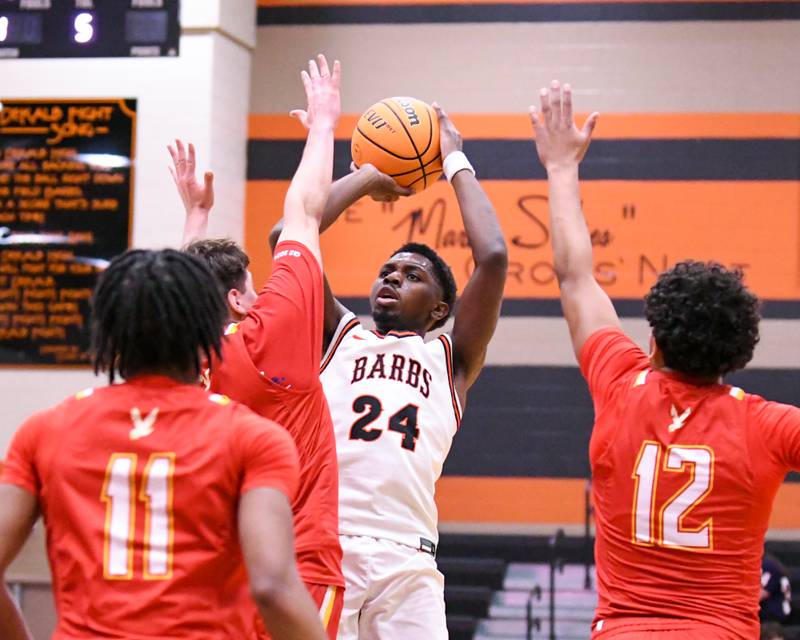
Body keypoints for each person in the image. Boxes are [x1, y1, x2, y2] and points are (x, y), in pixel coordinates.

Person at [530, 80, 800, 639]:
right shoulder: (771, 426)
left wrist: (560, 168)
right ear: (739, 354)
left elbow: (575, 275)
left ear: (653, 342)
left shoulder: (620, 383)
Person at [268, 104, 508, 639]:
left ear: (441, 309)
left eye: (413, 275)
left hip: (409, 558)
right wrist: (365, 177)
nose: (394, 278)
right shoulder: (340, 333)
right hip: (327, 543)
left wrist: (454, 160)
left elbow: (491, 256)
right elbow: (287, 234)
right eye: (388, 271)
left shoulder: (452, 359)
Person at [0, 249, 326, 640]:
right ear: (210, 330)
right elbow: (273, 587)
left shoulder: (45, 430)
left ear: (105, 332)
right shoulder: (252, 437)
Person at [168, 54, 345, 637]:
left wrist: (194, 222)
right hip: (294, 567)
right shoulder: (267, 342)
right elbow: (304, 210)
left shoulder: (176, 359)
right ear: (242, 302)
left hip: (209, 570)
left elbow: (182, 296)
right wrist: (323, 124)